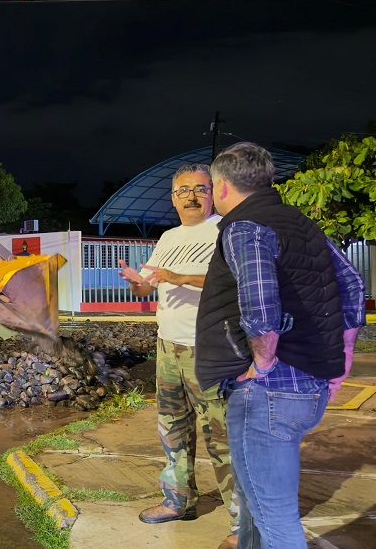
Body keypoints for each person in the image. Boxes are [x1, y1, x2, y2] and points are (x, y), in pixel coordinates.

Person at [195, 142, 366, 549]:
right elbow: (353, 288)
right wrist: (341, 361)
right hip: (309, 385)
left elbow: (260, 304)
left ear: (220, 186)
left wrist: (263, 362)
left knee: (276, 519)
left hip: (269, 390)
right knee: (255, 503)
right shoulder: (302, 223)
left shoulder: (244, 226)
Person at [118, 164, 239, 549]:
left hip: (210, 347)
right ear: (173, 198)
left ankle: (242, 521)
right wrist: (138, 283)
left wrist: (180, 277)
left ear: (214, 192)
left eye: (199, 189)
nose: (191, 196)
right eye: (183, 190)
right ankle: (178, 500)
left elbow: (233, 280)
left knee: (222, 437)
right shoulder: (169, 237)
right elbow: (148, 288)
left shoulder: (227, 230)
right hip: (168, 345)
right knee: (173, 429)